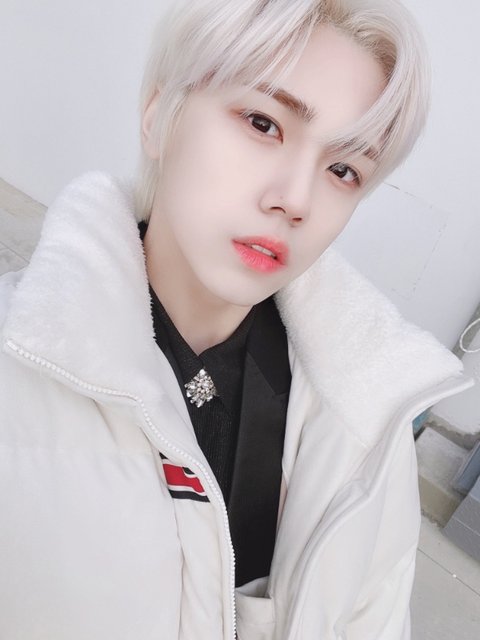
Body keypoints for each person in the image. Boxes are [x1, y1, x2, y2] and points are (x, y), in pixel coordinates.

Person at [0, 1, 473, 638]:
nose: (296, 199)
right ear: (159, 116)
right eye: (262, 123)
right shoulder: (18, 375)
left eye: (343, 170)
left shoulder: (366, 415)